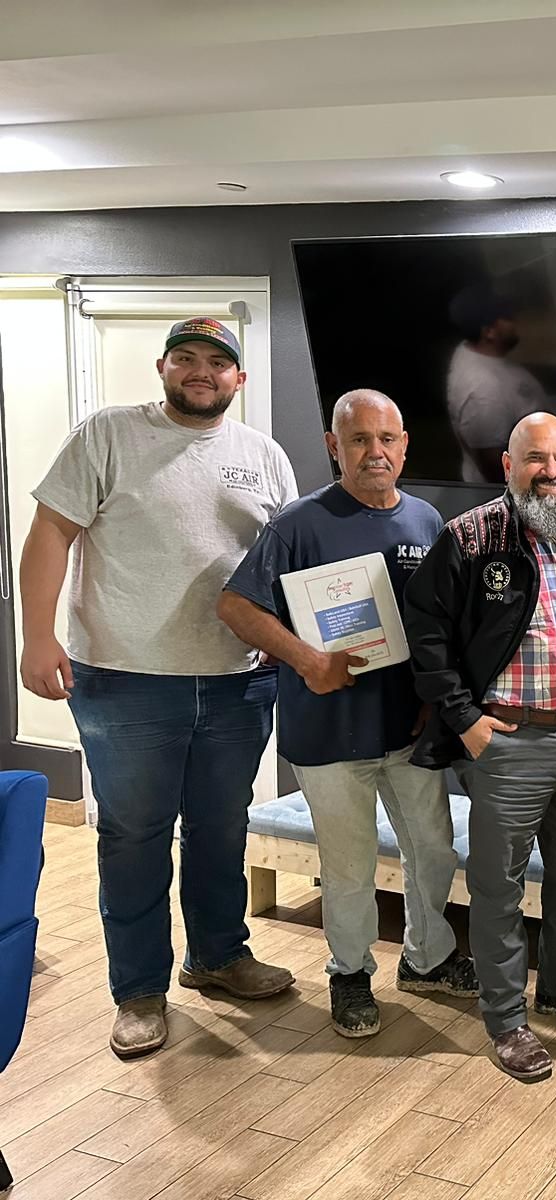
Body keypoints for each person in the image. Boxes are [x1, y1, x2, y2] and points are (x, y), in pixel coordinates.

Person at [18, 317, 298, 1060]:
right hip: (125, 682)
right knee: (134, 835)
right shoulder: (107, 435)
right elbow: (50, 534)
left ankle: (217, 957)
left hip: (239, 682)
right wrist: (38, 637)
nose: (201, 372)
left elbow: (288, 564)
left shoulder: (262, 456)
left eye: (217, 362)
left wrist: (300, 650)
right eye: (187, 359)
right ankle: (138, 989)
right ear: (163, 367)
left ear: (239, 378)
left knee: (220, 827)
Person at [218, 390, 477, 1039]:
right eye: (359, 440)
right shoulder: (299, 524)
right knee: (349, 866)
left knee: (434, 849)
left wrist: (432, 697)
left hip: (410, 730)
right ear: (335, 446)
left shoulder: (426, 521)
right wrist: (306, 659)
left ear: (404, 445)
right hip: (329, 733)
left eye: (386, 439)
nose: (375, 452)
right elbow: (237, 606)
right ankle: (351, 973)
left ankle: (427, 959)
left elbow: (440, 622)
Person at [404, 413, 556, 1084]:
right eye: (536, 458)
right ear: (507, 467)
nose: (552, 471)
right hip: (508, 741)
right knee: (498, 886)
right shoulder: (472, 536)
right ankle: (506, 1020)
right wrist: (465, 720)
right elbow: (427, 636)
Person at [445, 285, 549, 484]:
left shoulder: (474, 352)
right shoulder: (483, 391)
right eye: (507, 318)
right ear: (489, 332)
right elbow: (493, 464)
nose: (515, 321)